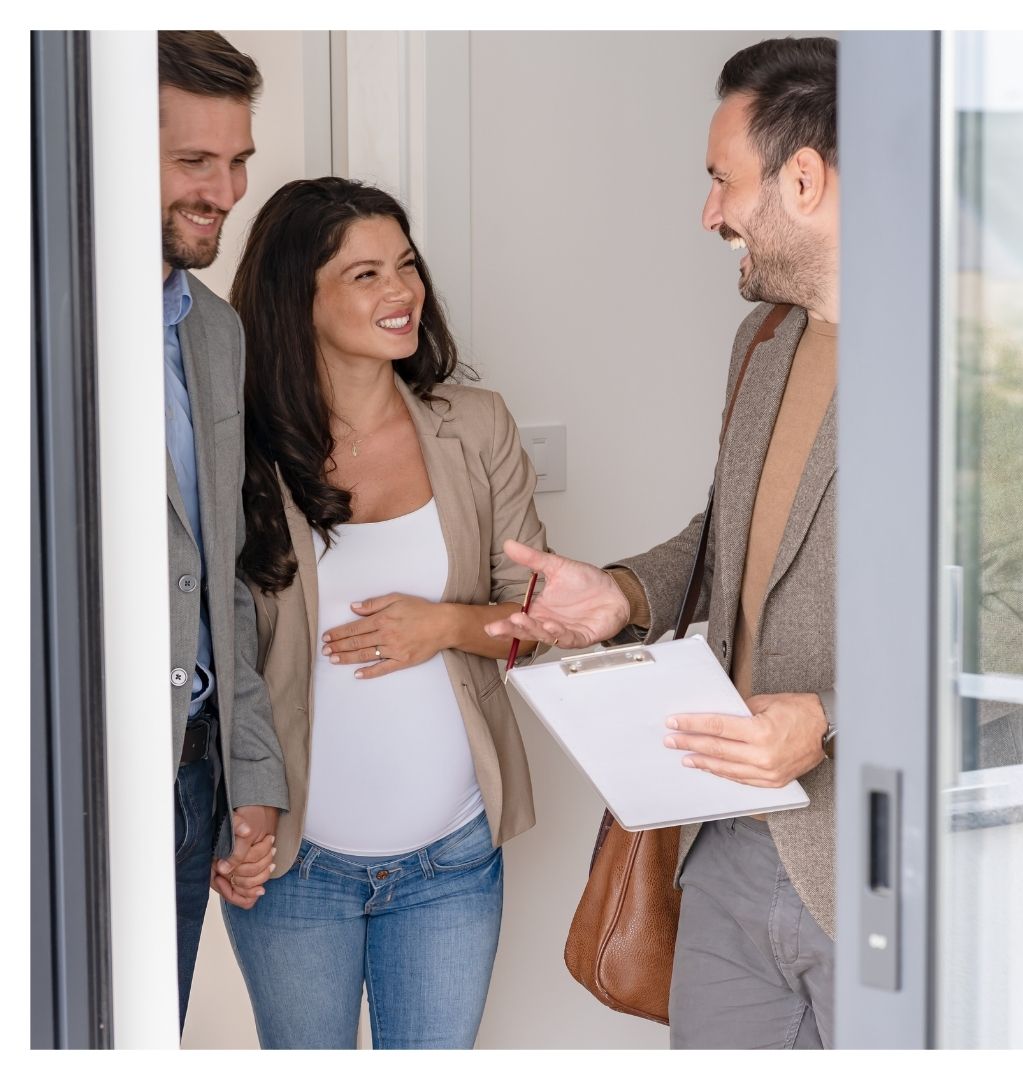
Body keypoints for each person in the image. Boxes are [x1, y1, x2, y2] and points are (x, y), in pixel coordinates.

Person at [486, 37, 841, 1049]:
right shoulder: (765, 342)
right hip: (724, 842)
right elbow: (725, 539)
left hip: (879, 869)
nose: (710, 214)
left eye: (721, 181)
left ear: (804, 178)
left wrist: (834, 716)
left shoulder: (982, 361)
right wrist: (620, 596)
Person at [219, 177, 546, 1049]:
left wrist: (443, 626)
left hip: (453, 859)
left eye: (406, 266)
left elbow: (538, 616)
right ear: (300, 294)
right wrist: (230, 805)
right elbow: (207, 652)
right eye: (365, 275)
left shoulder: (474, 426)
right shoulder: (236, 448)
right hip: (294, 866)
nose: (400, 292)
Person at [157, 30, 288, 1034]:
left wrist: (251, 774)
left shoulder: (216, 329)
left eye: (238, 160)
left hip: (197, 772)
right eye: (194, 162)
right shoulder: (38, 318)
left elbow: (224, 576)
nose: (226, 190)